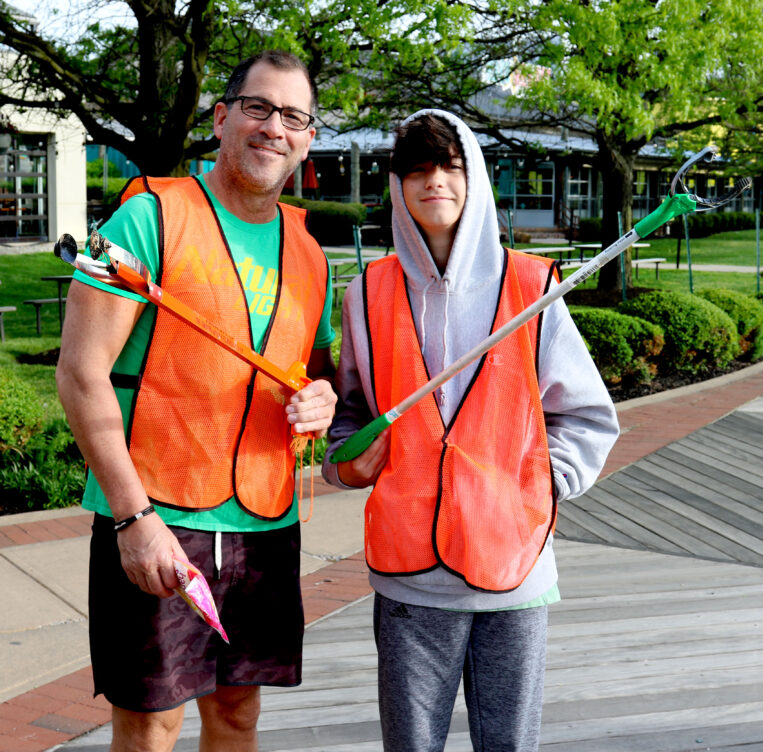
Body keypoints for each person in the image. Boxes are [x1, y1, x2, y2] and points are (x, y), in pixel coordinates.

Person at [56, 50, 337, 751]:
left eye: (293, 116)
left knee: (238, 713)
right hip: (158, 514)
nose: (274, 127)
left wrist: (322, 400)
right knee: (151, 724)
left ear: (308, 139)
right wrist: (133, 518)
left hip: (265, 523)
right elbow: (81, 374)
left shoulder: (310, 252)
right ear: (221, 118)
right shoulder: (148, 219)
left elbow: (314, 373)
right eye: (258, 107)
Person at [323, 110, 620, 751]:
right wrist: (345, 460)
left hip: (514, 567)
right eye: (417, 169)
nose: (435, 181)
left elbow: (588, 415)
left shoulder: (533, 286)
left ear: (475, 177)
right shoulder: (366, 293)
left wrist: (541, 483)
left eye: (450, 166)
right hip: (408, 577)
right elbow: (349, 413)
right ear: (397, 184)